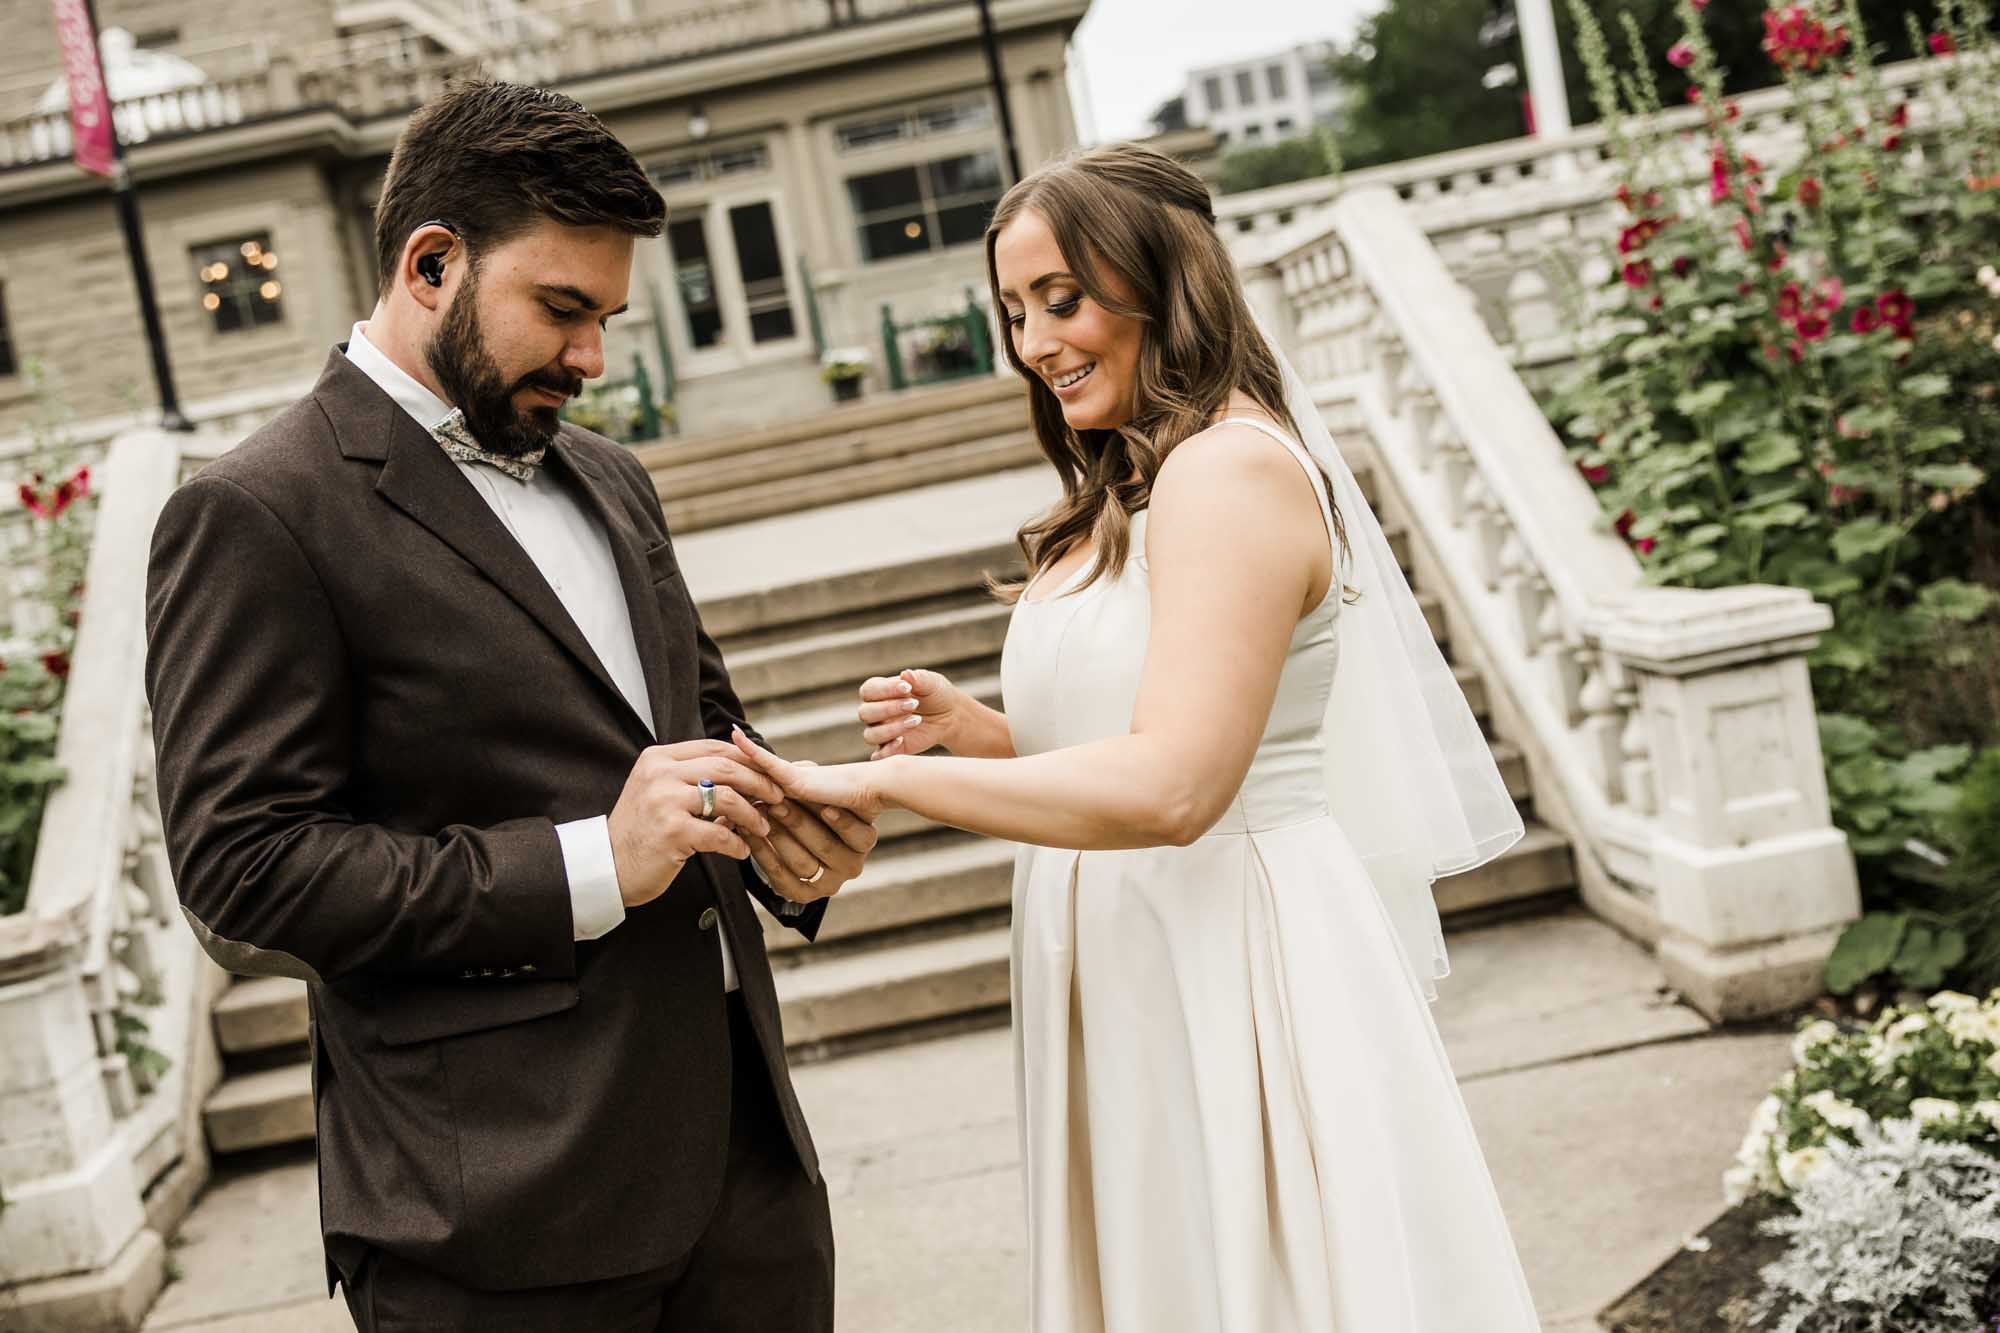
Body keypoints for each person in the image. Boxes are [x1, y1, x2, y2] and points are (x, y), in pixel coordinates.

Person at [729, 142, 1545, 1331]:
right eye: (1013, 311)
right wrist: (981, 735)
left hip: (1227, 952)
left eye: (1060, 299)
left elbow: (1176, 788)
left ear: (1167, 281)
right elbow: (1142, 733)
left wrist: (889, 779)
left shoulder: (1228, 474)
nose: (1033, 343)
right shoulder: (1148, 482)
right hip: (1126, 958)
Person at [143, 81, 874, 1333]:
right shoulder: (257, 511)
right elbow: (242, 869)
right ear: (433, 263)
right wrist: (594, 862)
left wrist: (790, 848)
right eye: (562, 310)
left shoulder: (612, 475)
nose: (592, 358)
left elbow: (696, 735)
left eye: (608, 318)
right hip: (492, 1227)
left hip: (747, 1188)